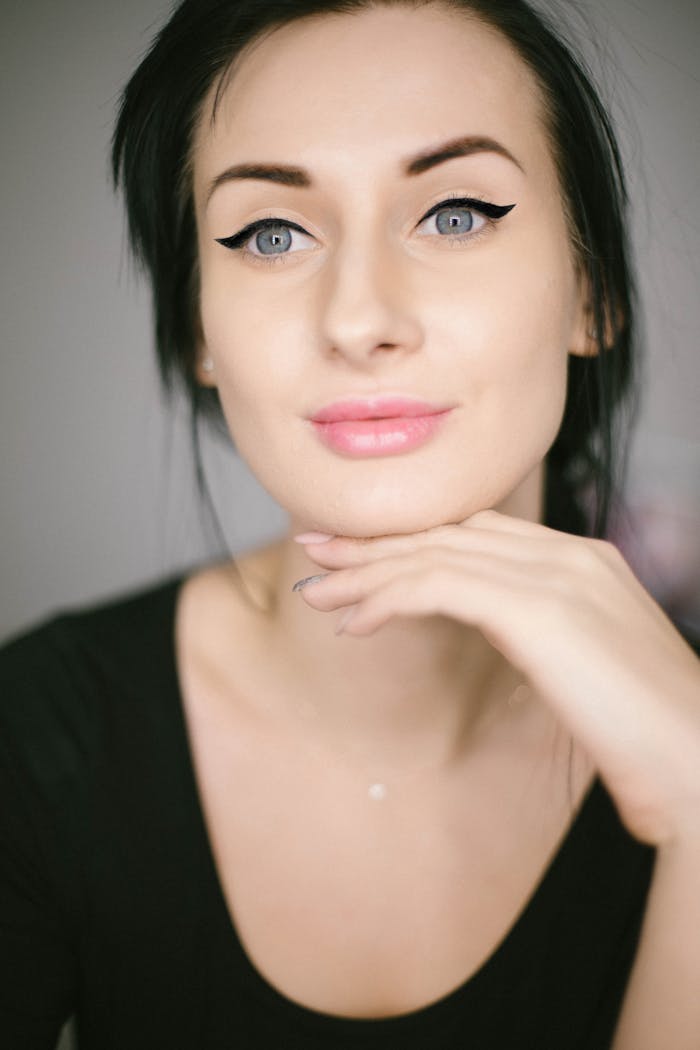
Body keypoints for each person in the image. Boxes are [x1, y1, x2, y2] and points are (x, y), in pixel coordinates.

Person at [1, 1, 698, 1047]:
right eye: (269, 234)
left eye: (455, 213)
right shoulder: (36, 739)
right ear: (199, 327)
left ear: (589, 291)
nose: (359, 317)